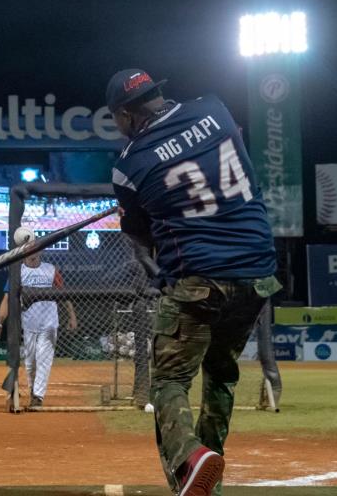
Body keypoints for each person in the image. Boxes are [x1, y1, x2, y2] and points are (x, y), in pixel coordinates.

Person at [106, 69, 281, 496]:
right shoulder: (214, 108)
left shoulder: (129, 166)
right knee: (221, 375)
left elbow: (143, 238)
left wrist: (134, 209)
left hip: (198, 277)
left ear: (127, 115)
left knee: (169, 383)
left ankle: (189, 458)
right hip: (258, 272)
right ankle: (208, 478)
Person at [0, 237, 78, 408]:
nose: (33, 253)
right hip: (28, 324)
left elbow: (64, 294)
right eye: (29, 251)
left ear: (41, 251)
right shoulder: (17, 272)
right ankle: (33, 390)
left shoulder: (51, 270)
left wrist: (72, 316)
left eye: (36, 250)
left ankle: (38, 396)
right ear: (23, 254)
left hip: (50, 322)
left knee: (44, 358)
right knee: (30, 362)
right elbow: (6, 299)